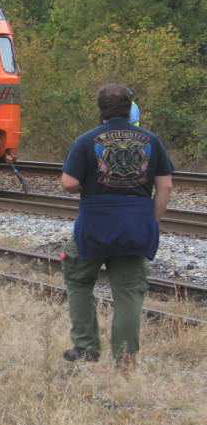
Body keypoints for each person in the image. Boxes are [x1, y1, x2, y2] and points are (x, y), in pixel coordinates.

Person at [60, 84, 173, 365]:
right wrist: (152, 222)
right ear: (129, 108)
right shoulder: (151, 140)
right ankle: (124, 359)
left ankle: (85, 347)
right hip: (136, 226)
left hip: (95, 227)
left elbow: (69, 183)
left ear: (100, 110)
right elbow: (166, 186)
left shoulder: (87, 140)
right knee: (128, 294)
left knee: (78, 278)